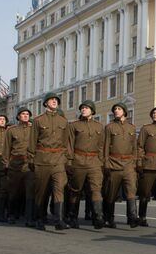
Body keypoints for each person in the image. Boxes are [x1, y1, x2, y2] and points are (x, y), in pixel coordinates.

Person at [29, 94, 69, 230]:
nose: (54, 101)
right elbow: (32, 142)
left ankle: (58, 219)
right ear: (45, 103)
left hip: (58, 160)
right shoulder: (38, 120)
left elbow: (66, 142)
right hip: (42, 160)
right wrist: (32, 160)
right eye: (52, 100)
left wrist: (65, 159)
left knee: (59, 188)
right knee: (42, 191)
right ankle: (39, 218)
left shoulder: (63, 121)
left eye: (56, 100)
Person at [66, 100, 105, 229]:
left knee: (95, 189)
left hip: (94, 162)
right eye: (82, 108)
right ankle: (72, 217)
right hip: (79, 160)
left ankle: (98, 217)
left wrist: (101, 162)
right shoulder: (74, 125)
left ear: (92, 111)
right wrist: (69, 162)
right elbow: (70, 145)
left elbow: (101, 146)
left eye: (87, 108)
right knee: (76, 190)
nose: (84, 110)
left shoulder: (99, 127)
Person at [103, 102, 139, 228]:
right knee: (111, 193)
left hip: (129, 164)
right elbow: (105, 146)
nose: (116, 111)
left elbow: (134, 147)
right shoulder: (109, 127)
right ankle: (108, 218)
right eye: (115, 109)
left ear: (124, 111)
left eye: (119, 109)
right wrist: (106, 163)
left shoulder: (131, 128)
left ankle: (132, 218)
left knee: (131, 190)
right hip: (114, 163)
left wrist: (134, 161)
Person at [3, 108, 34, 226]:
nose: (25, 116)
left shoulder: (33, 129)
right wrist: (6, 164)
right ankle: (11, 214)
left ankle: (29, 218)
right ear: (18, 116)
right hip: (15, 164)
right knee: (14, 192)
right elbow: (6, 148)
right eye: (23, 114)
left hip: (29, 165)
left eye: (27, 114)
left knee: (30, 192)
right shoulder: (12, 130)